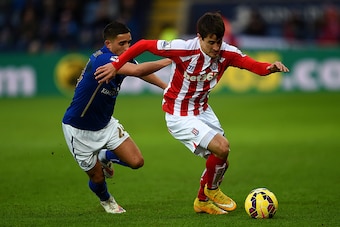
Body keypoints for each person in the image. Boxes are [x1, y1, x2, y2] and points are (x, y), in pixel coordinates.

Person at [94, 12, 289, 215]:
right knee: (222, 147)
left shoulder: (226, 52)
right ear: (200, 37)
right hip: (178, 113)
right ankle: (212, 190)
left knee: (221, 160)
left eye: (219, 42)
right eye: (211, 42)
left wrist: (269, 67)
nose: (216, 48)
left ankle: (202, 201)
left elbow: (251, 64)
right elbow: (143, 44)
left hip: (202, 109)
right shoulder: (184, 49)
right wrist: (116, 65)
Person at [62, 21, 171, 214]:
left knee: (137, 162)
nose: (127, 48)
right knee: (97, 177)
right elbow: (138, 70)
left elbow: (142, 73)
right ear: (108, 43)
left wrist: (166, 88)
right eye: (122, 44)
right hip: (78, 129)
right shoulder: (102, 60)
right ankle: (107, 200)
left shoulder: (122, 58)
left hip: (105, 124)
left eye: (129, 43)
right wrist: (170, 59)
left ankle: (104, 156)